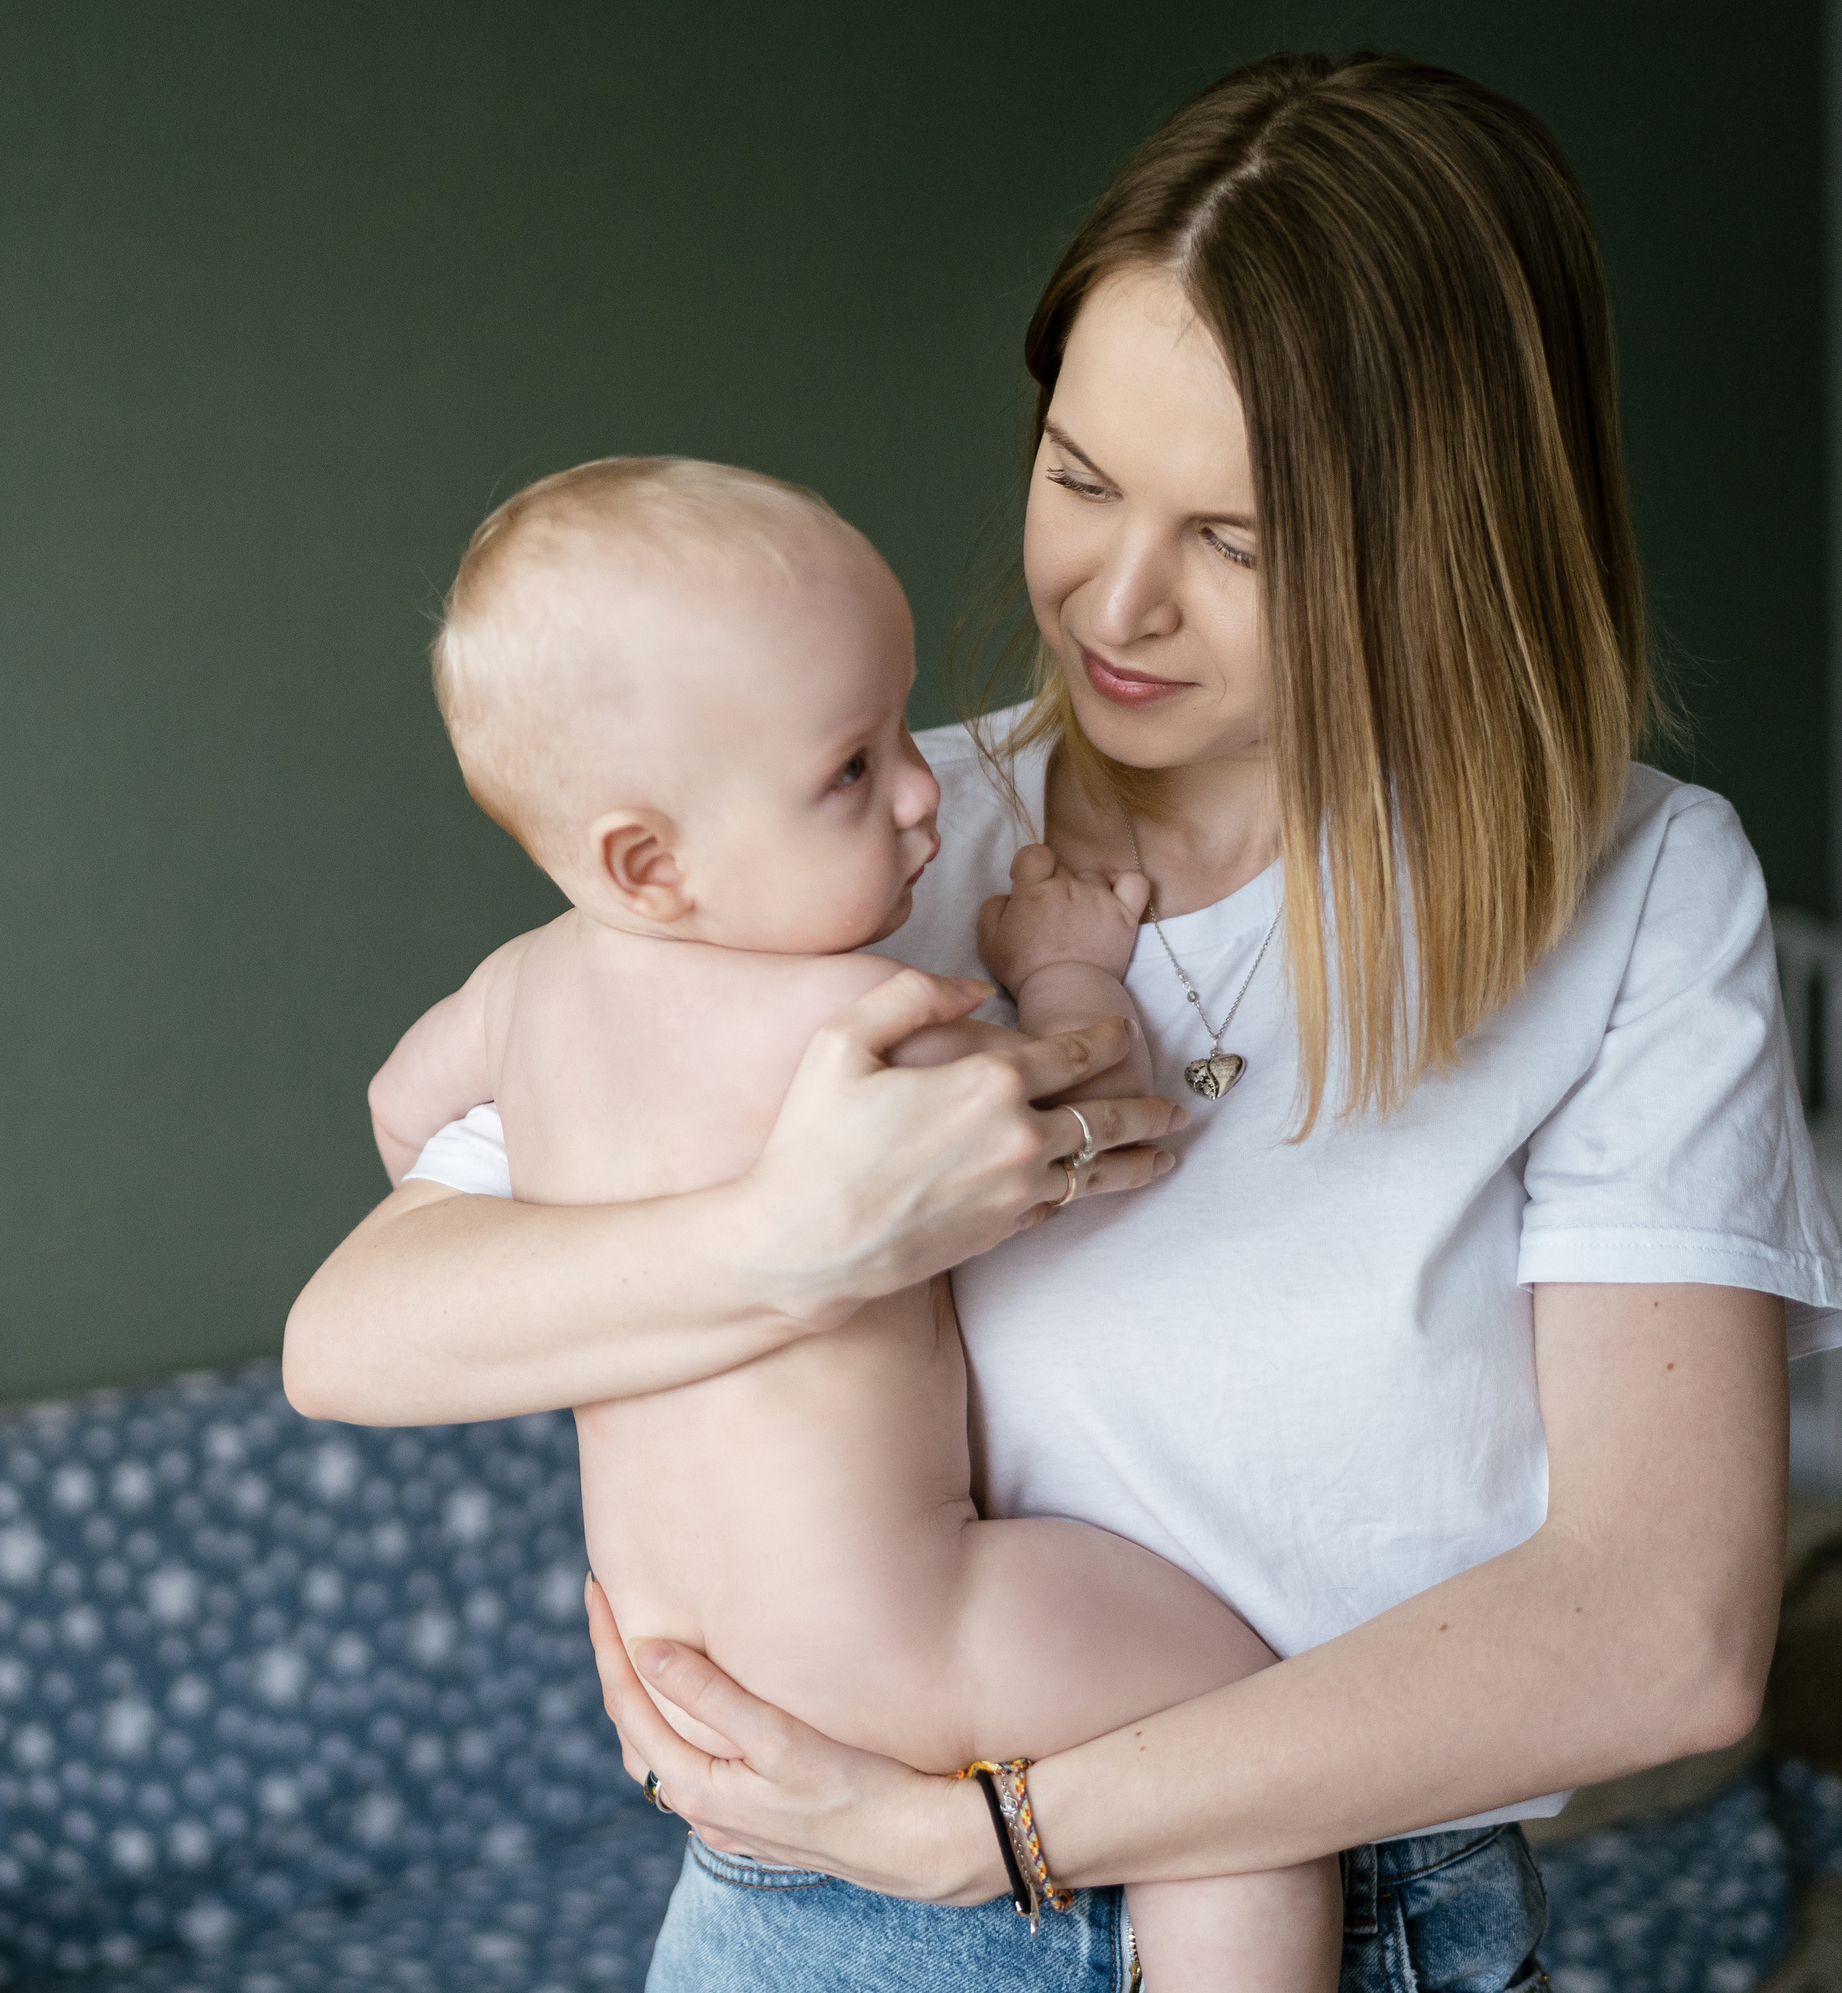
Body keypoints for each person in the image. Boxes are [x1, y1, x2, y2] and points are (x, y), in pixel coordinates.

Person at [285, 49, 1842, 1993]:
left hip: (1305, 1897)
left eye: (1239, 538)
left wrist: (991, 1833)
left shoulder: (1629, 891)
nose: (1112, 600)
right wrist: (791, 1239)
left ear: (1441, 533)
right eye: (1078, 475)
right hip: (813, 1915)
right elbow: (363, 1325)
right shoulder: (837, 850)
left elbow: (1660, 1637)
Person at [365, 451, 1342, 1988]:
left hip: (699, 1680)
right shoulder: (865, 1017)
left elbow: (398, 1117)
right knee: (1244, 1745)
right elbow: (1094, 1107)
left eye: (903, 730)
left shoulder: (515, 991)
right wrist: (1071, 961)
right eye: (850, 767)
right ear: (649, 860)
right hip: (908, 1635)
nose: (916, 794)